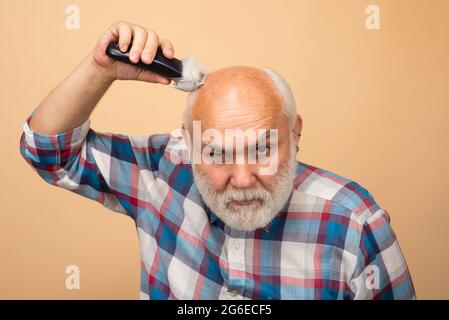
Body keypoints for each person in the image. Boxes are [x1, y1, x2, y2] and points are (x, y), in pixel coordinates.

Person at [19, 21, 416, 300]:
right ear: (188, 144)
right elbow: (47, 152)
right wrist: (99, 70)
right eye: (216, 152)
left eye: (262, 149)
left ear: (294, 134)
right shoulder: (161, 173)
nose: (242, 179)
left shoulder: (355, 224)